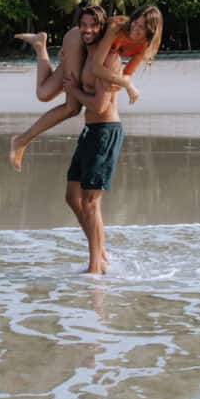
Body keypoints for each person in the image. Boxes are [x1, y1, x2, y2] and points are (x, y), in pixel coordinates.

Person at [9, 6, 107, 172]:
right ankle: (21, 141)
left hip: (79, 46)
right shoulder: (116, 29)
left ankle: (40, 45)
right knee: (72, 108)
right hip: (77, 43)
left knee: (43, 93)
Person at [62, 45, 125, 274]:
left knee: (90, 202)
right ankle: (100, 253)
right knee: (72, 197)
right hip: (89, 131)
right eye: (84, 25)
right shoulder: (86, 57)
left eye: (92, 25)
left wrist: (74, 91)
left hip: (105, 132)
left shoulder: (109, 59)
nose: (87, 30)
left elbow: (100, 105)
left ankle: (95, 267)